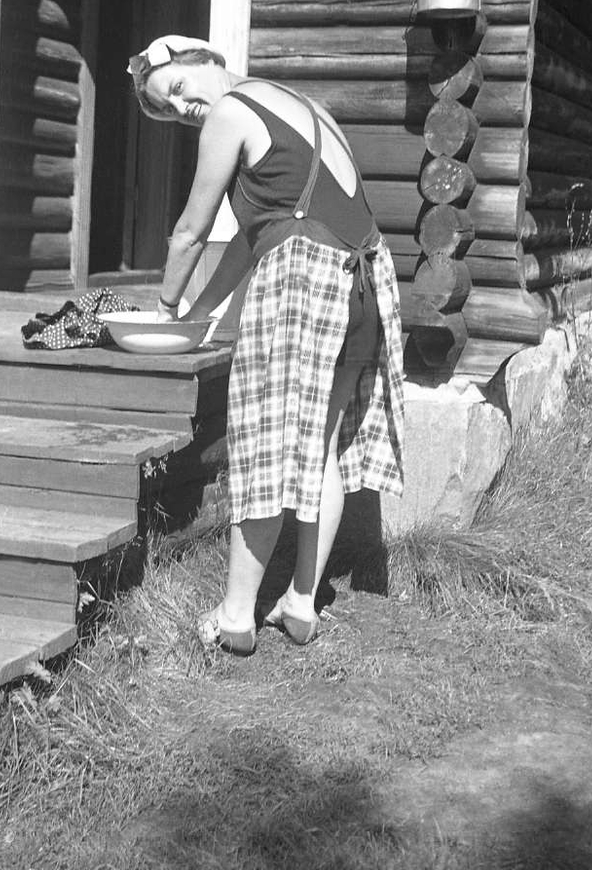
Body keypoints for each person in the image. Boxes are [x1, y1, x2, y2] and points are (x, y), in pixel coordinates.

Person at [128, 35, 405, 654]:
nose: (183, 108)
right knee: (320, 447)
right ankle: (302, 601)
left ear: (202, 60)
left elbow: (192, 232)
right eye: (169, 110)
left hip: (306, 285)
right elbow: (260, 238)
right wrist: (201, 314)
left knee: (265, 450)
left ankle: (235, 616)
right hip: (363, 286)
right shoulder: (301, 107)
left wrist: (165, 307)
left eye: (177, 89)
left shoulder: (230, 111)